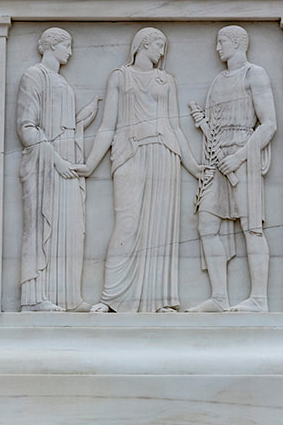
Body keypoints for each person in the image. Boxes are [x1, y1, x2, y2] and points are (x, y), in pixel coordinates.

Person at [78, 27, 201, 313]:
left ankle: (160, 300)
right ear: (144, 44)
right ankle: (111, 297)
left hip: (164, 153)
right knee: (127, 223)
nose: (162, 52)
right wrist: (89, 163)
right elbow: (107, 125)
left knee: (160, 229)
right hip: (129, 152)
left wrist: (193, 166)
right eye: (159, 45)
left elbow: (175, 126)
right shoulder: (120, 77)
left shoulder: (166, 80)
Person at [186, 26, 277, 313]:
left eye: (221, 42)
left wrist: (238, 158)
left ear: (238, 43)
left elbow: (269, 124)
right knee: (206, 224)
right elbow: (213, 125)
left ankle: (259, 299)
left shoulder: (254, 74)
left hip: (243, 155)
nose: (217, 48)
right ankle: (220, 297)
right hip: (217, 158)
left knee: (252, 228)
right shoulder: (217, 80)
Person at [17, 28, 96, 312]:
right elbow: (27, 127)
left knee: (72, 228)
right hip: (43, 164)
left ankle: (67, 297)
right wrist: (56, 160)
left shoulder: (60, 80)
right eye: (67, 45)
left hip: (64, 161)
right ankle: (34, 298)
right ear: (51, 46)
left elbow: (63, 127)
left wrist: (81, 124)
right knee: (40, 228)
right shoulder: (34, 75)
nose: (71, 52)